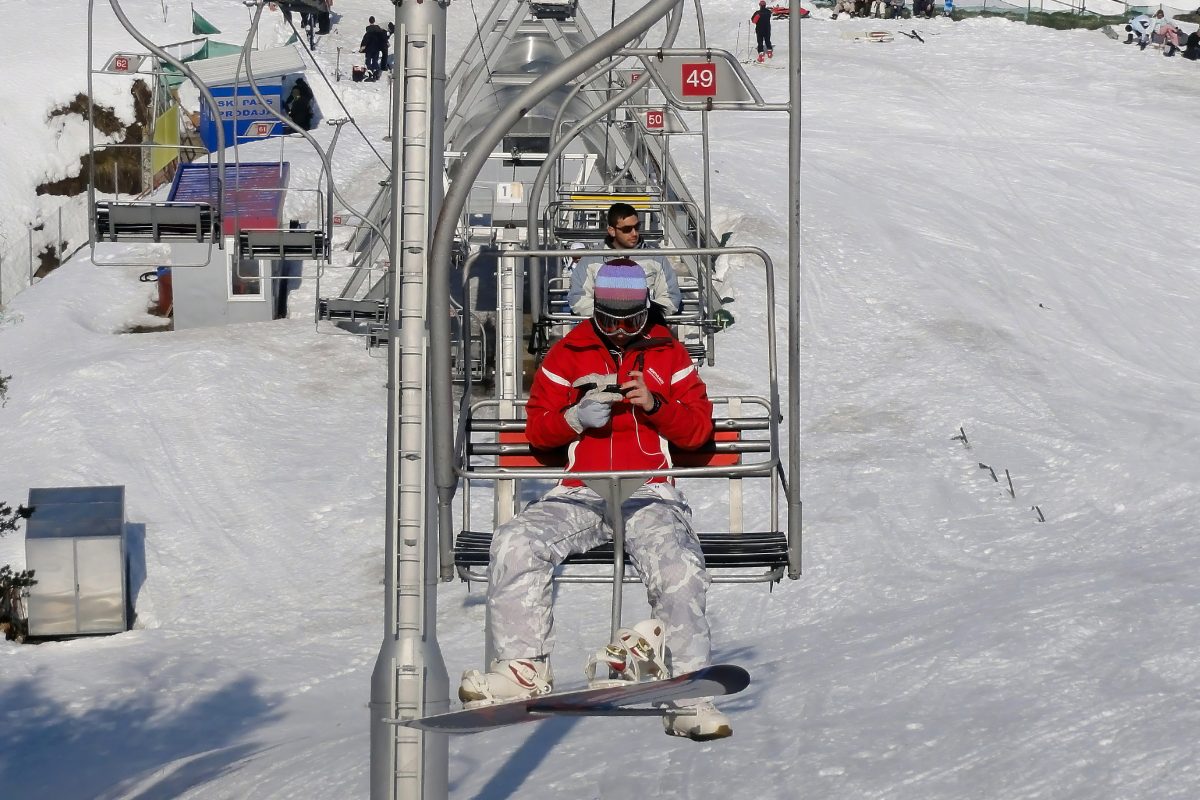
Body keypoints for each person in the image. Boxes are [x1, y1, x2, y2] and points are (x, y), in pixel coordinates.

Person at [458, 262, 731, 741]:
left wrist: (656, 405)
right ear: (594, 312)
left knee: (678, 564)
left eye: (632, 321)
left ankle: (689, 695)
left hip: (647, 489)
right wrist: (574, 419)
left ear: (647, 311)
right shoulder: (567, 354)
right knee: (517, 541)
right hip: (582, 490)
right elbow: (539, 432)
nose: (622, 332)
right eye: (610, 322)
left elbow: (699, 430)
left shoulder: (670, 355)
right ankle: (523, 666)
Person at [568, 203, 681, 319]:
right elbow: (578, 300)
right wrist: (611, 314)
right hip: (602, 327)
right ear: (612, 231)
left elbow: (671, 299)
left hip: (645, 327)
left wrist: (641, 313)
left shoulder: (655, 258)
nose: (634, 233)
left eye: (637, 227)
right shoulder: (591, 259)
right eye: (627, 229)